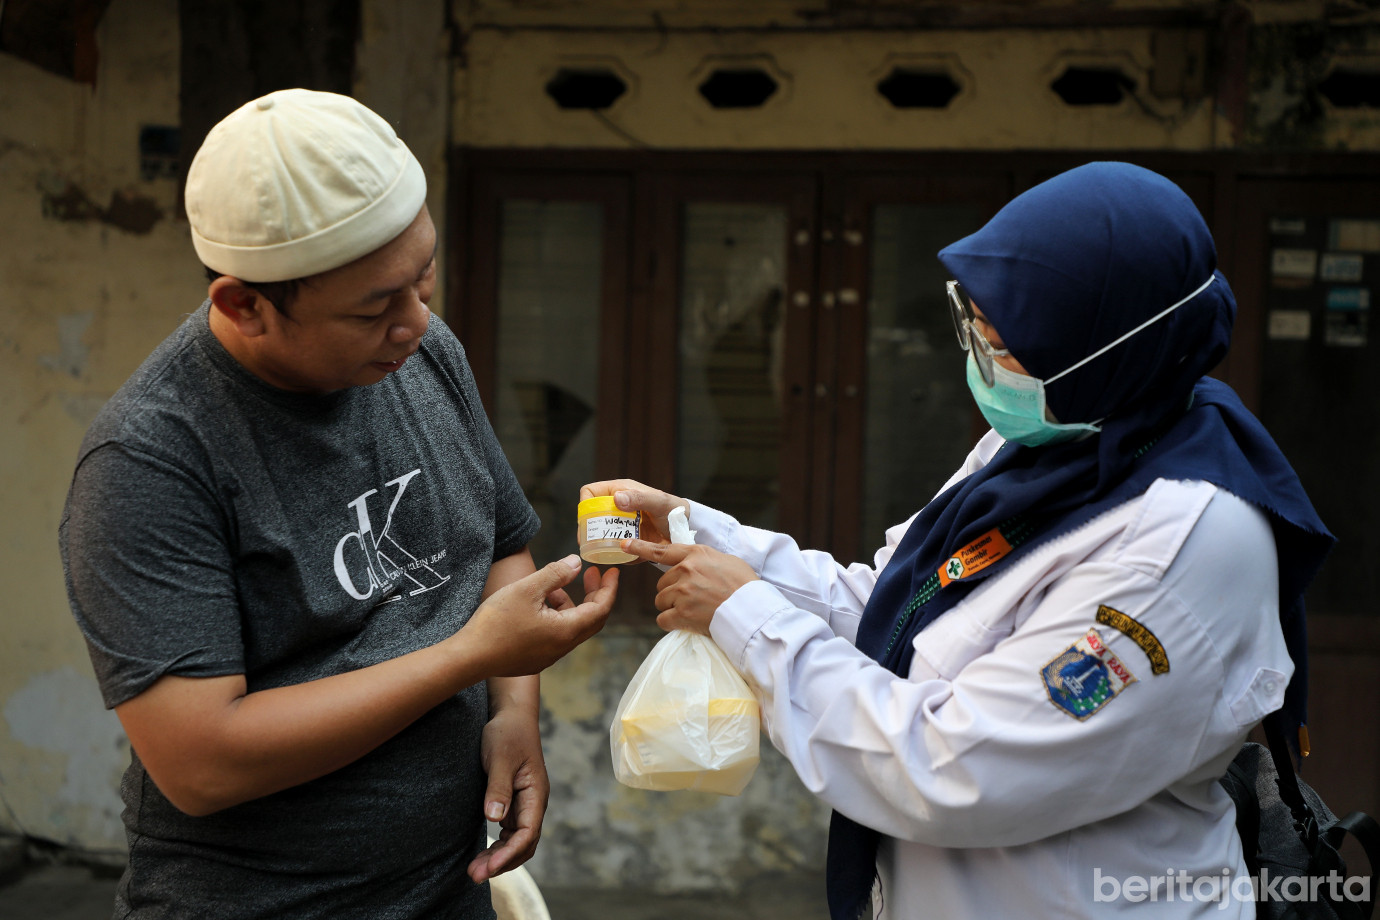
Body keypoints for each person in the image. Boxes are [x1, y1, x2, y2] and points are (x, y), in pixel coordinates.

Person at [585, 162, 1334, 919]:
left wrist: (748, 618)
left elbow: (953, 770)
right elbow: (897, 613)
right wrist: (701, 536)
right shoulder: (1055, 442)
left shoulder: (1177, 547)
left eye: (1003, 343)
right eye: (972, 323)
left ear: (1100, 352)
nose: (979, 358)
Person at [59, 88, 618, 920]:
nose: (415, 321)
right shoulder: (152, 459)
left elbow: (500, 548)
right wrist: (470, 657)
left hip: (448, 888)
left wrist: (511, 709)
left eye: (423, 276)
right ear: (244, 305)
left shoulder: (420, 353)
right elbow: (202, 762)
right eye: (373, 307)